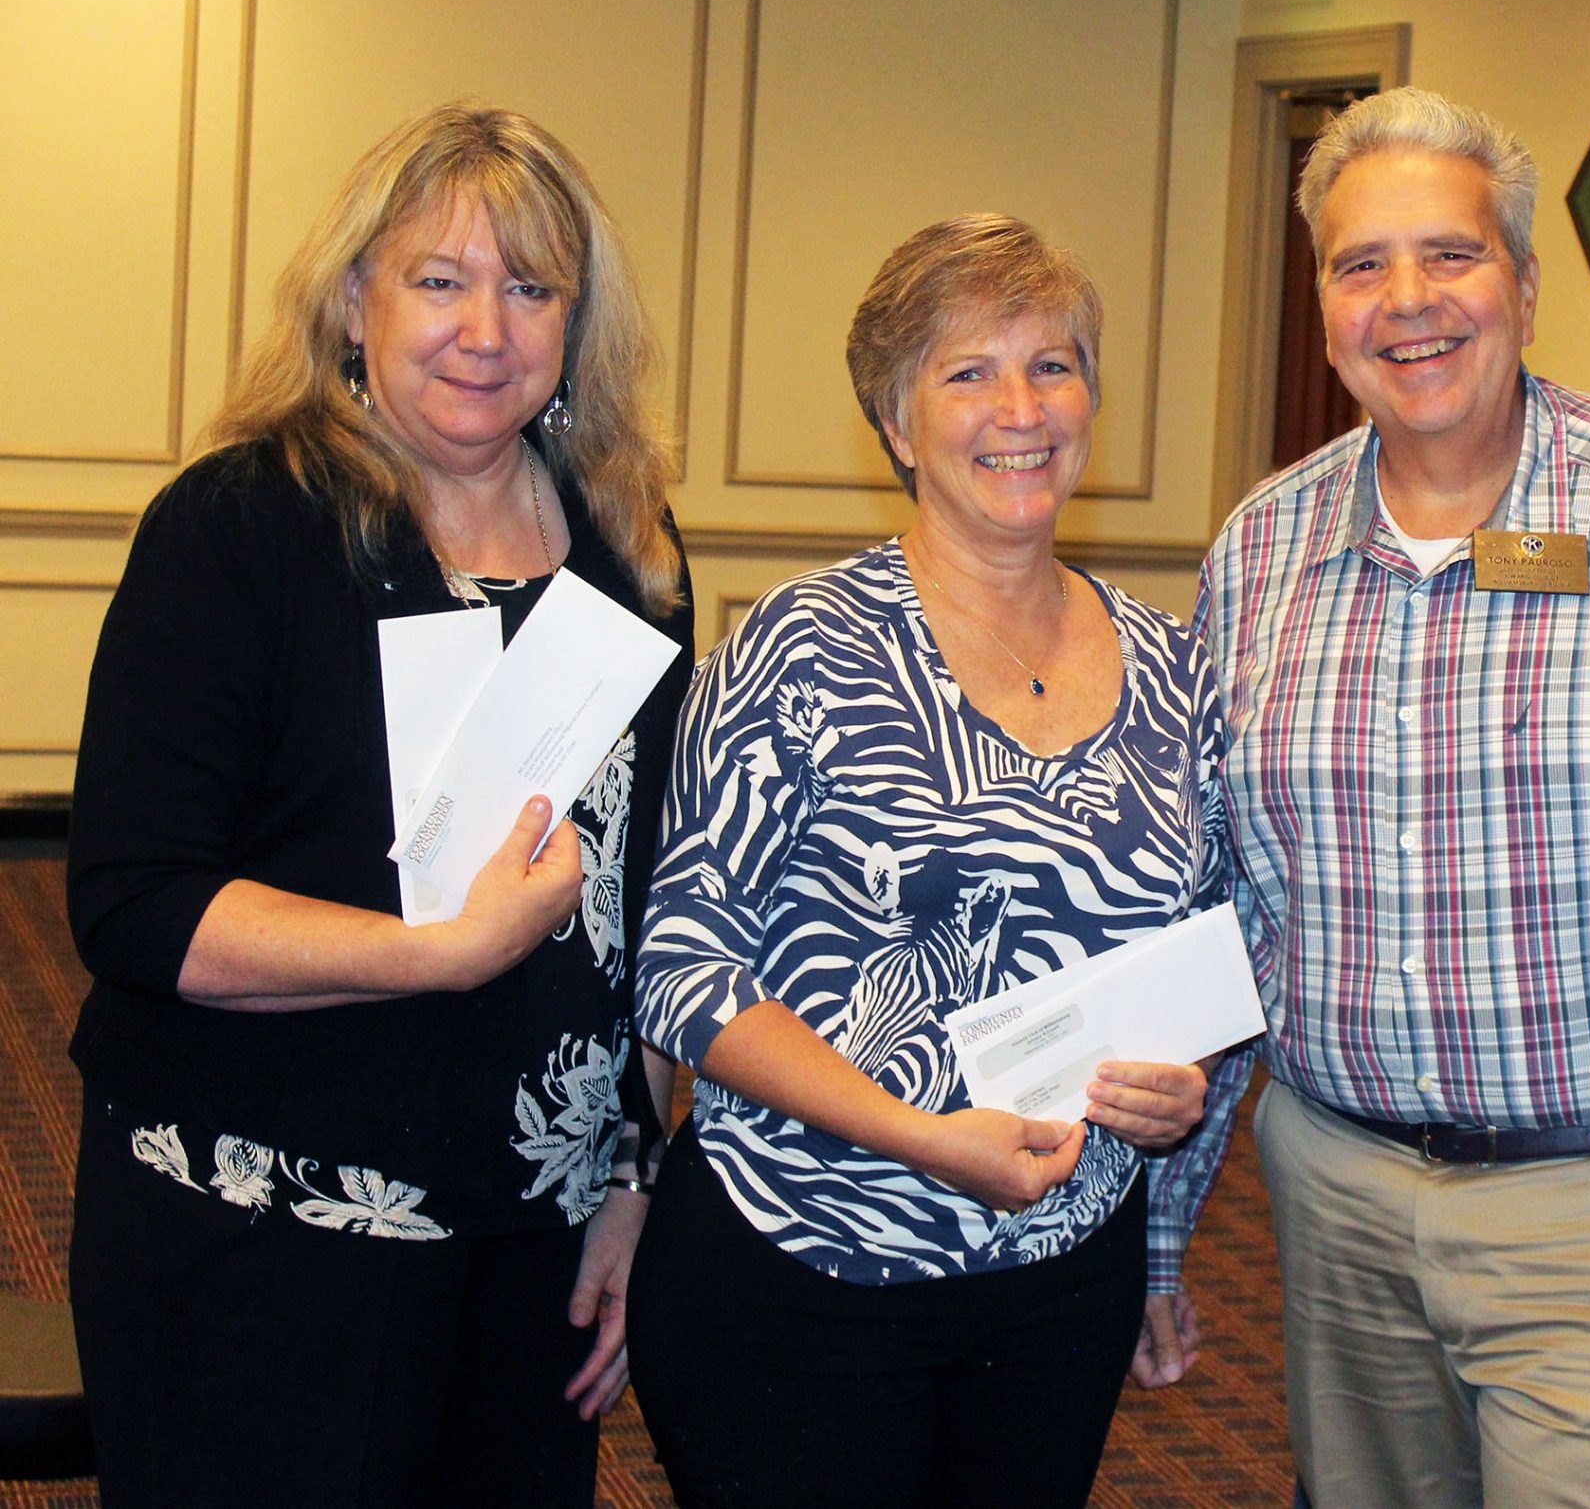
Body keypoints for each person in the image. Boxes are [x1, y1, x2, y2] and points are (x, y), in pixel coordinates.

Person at [1174, 87, 1590, 1509]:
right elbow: (1229, 910)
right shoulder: (1261, 548)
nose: (1407, 302)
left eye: (1452, 255)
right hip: (1337, 1206)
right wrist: (1168, 1229)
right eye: (1362, 265)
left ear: (1528, 287)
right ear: (1324, 308)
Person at [66, 103, 694, 1506]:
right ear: (355, 299)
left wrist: (633, 1178)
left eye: (531, 288)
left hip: (531, 1244)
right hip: (259, 1228)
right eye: (440, 280)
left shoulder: (629, 552)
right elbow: (135, 906)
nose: (487, 330)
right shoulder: (240, 527)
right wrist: (441, 955)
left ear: (577, 323)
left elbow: (646, 904)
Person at [627, 214, 1232, 1509]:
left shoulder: (1179, 667)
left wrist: (1173, 1100)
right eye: (969, 373)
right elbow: (680, 971)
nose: (1021, 409)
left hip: (1063, 1288)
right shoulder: (803, 646)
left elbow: (1206, 965)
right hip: (804, 1273)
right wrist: (922, 1137)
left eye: (1053, 365)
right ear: (897, 424)